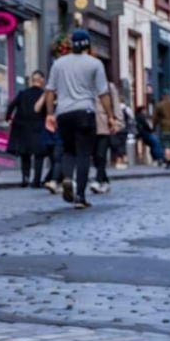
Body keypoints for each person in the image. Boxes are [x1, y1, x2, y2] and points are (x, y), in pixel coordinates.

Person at [40, 30, 114, 209]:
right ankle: (80, 196)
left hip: (63, 113)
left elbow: (50, 91)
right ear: (88, 45)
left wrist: (50, 114)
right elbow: (103, 93)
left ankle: (66, 178)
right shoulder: (95, 64)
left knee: (68, 151)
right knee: (83, 154)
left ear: (72, 44)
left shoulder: (58, 63)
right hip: (85, 112)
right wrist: (110, 116)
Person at [4, 72, 49, 188]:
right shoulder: (43, 94)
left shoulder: (23, 93)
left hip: (23, 128)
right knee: (39, 155)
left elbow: (11, 106)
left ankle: (25, 177)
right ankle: (36, 180)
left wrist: (8, 118)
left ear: (32, 81)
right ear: (42, 80)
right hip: (39, 127)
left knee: (25, 155)